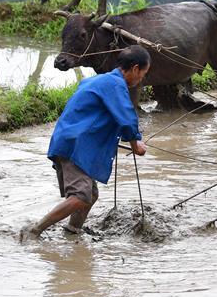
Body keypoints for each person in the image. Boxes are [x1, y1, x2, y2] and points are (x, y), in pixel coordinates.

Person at [20, 45, 150, 241]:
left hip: (69, 140)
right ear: (135, 68)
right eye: (143, 74)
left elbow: (97, 118)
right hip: (75, 144)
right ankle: (35, 230)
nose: (141, 79)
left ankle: (73, 231)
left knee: (90, 194)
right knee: (81, 195)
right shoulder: (116, 85)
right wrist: (135, 144)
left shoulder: (99, 81)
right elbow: (127, 118)